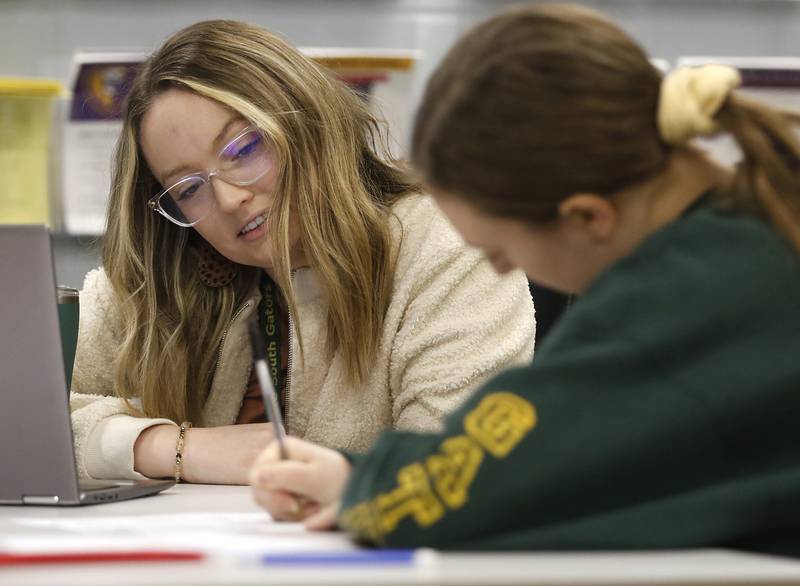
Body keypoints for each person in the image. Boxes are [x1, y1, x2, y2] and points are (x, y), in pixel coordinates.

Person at [250, 4, 800, 556]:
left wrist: (365, 486)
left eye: (500, 250)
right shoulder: (751, 231)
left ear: (587, 217)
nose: (500, 270)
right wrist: (357, 477)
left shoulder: (683, 298)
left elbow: (500, 481)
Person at [69, 20, 535, 486]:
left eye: (245, 148)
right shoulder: (162, 272)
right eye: (188, 189)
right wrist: (174, 448)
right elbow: (23, 427)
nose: (230, 199)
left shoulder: (443, 244)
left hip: (372, 556)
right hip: (203, 555)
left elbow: (456, 466)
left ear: (309, 122)